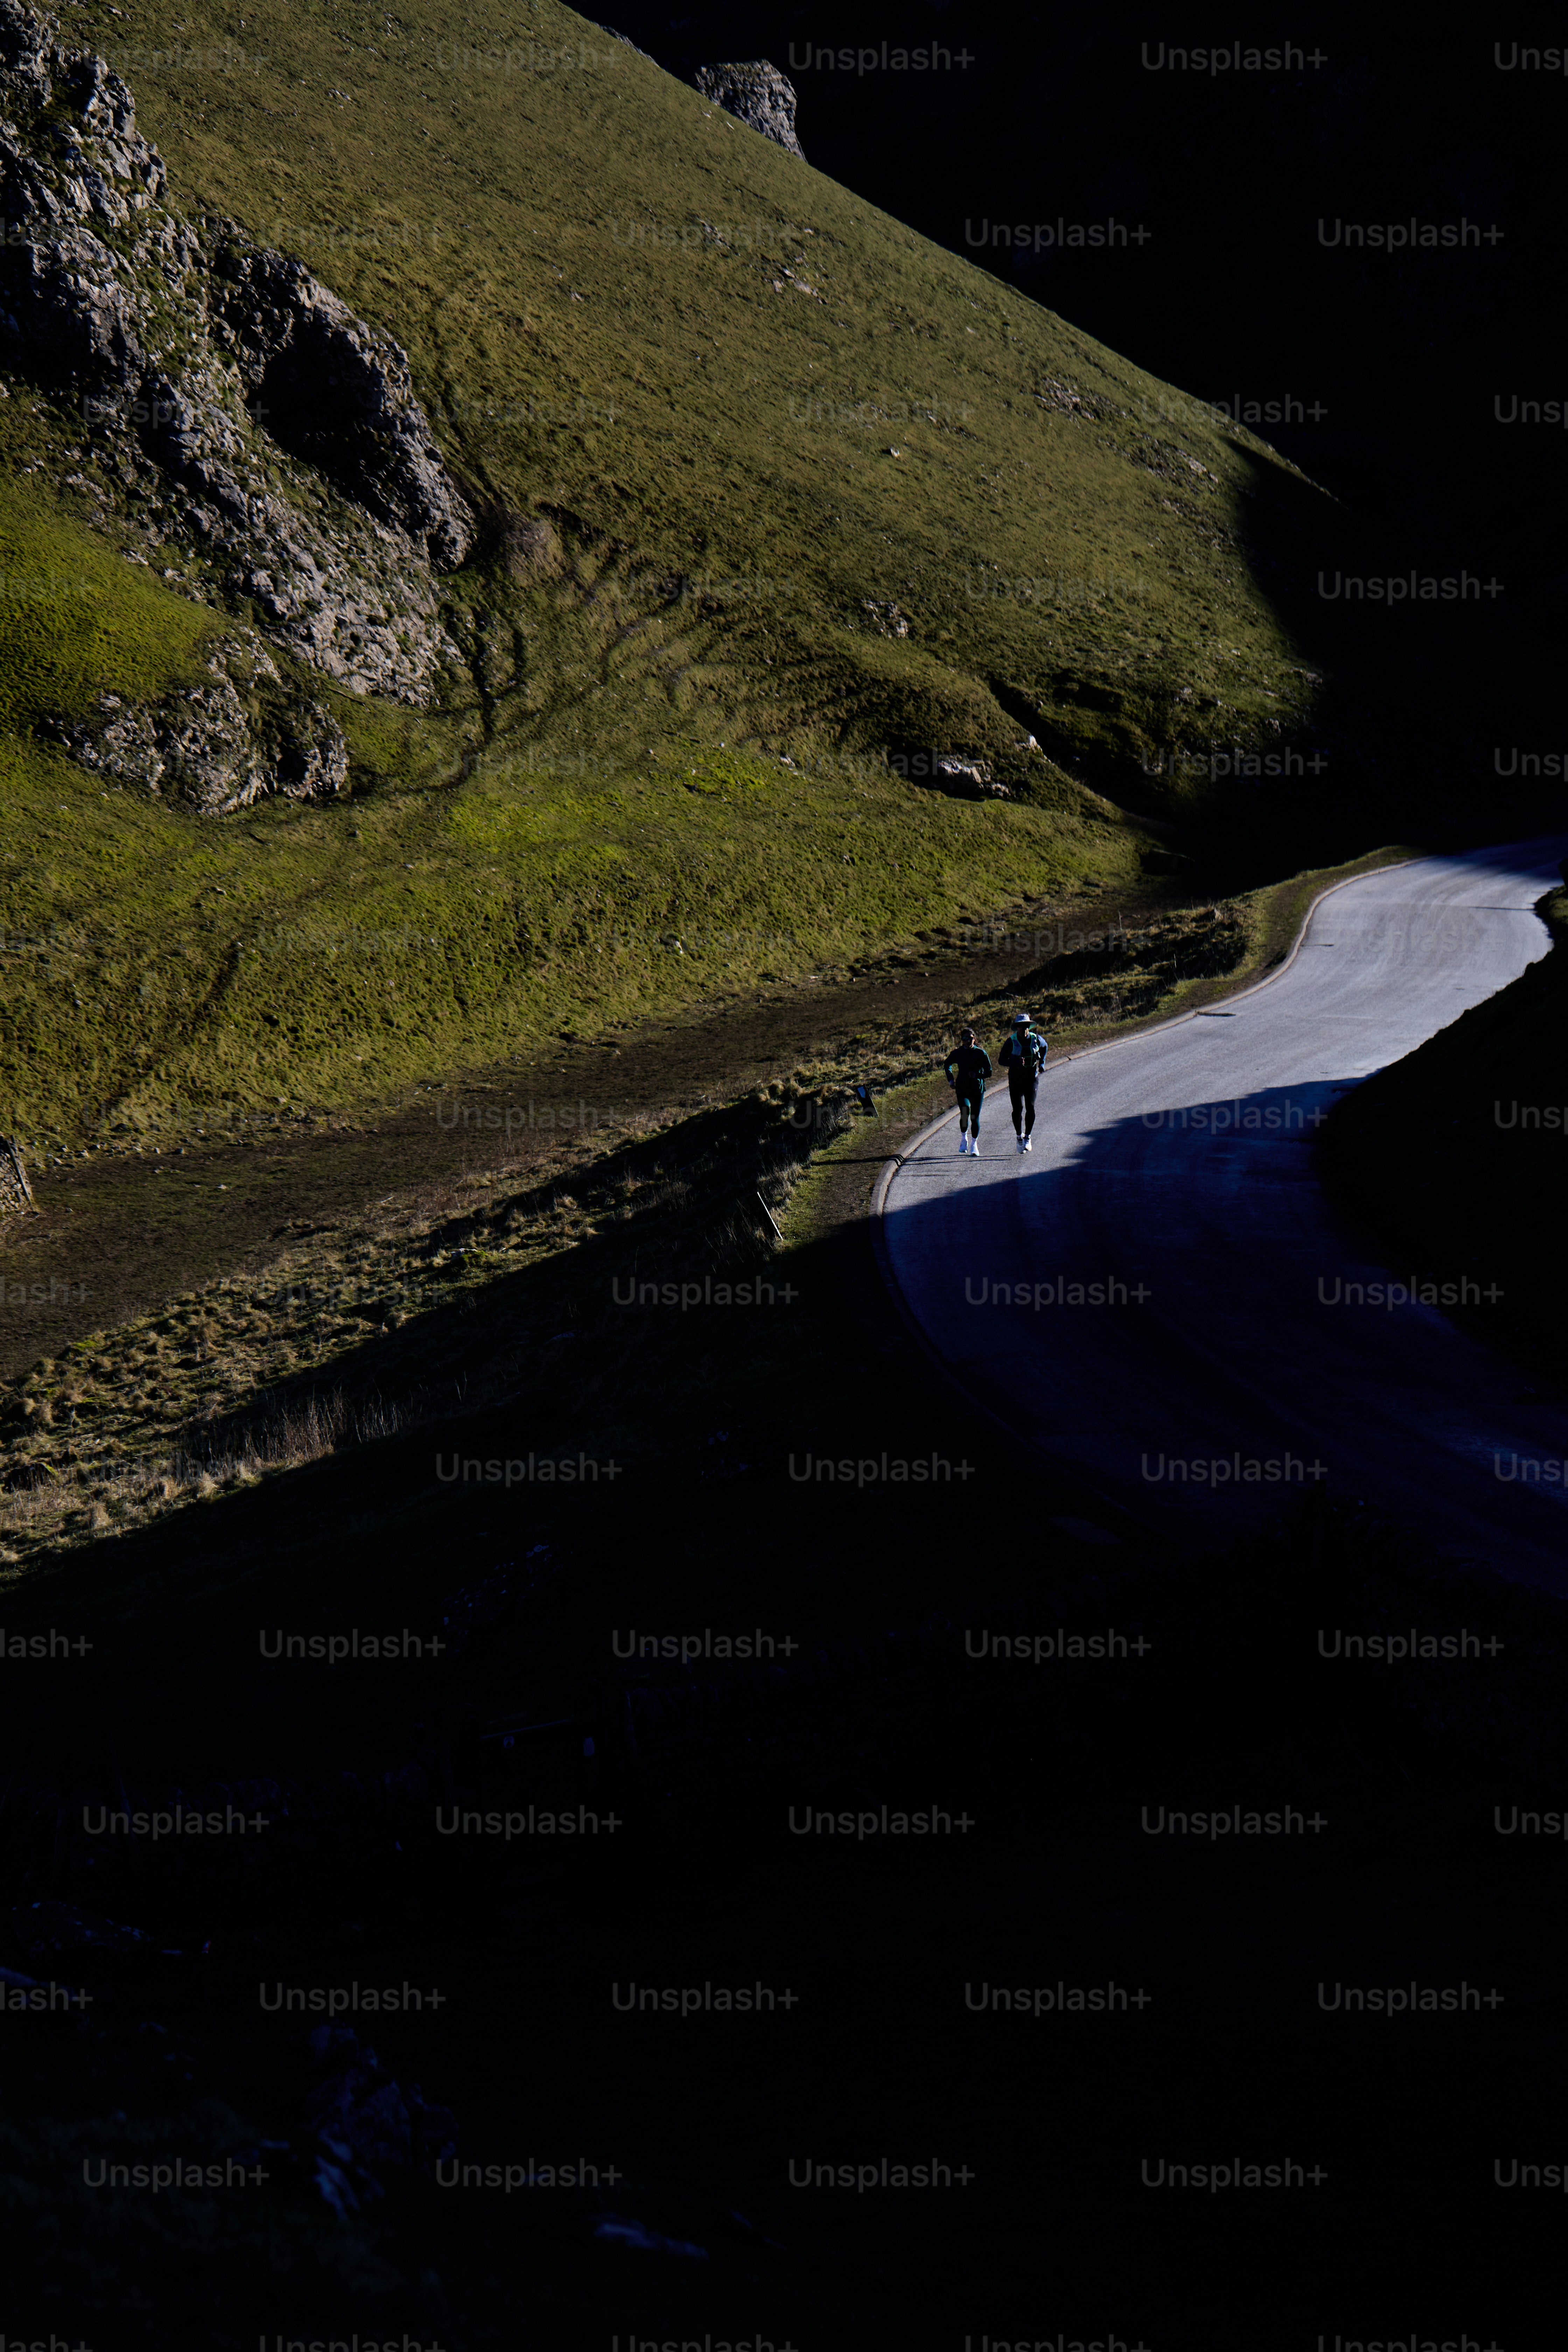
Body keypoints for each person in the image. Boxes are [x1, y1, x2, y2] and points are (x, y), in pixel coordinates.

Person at [998, 1010, 1048, 1153]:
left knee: (1031, 1107)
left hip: (1032, 1078)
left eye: (1026, 1026)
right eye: (1020, 1026)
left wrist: (1042, 1064)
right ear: (1017, 1027)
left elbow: (1045, 1047)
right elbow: (1001, 1060)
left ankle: (1028, 1137)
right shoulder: (1011, 1042)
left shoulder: (1036, 1039)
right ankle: (1019, 1136)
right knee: (1018, 1109)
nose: (1023, 1029)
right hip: (1015, 1079)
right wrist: (1014, 1061)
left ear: (1029, 1027)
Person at [943, 1027, 992, 1156]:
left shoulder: (981, 1054)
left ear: (974, 1039)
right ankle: (964, 1138)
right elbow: (947, 1064)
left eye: (970, 1039)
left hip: (978, 1089)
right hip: (962, 1088)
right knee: (965, 1112)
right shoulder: (958, 1053)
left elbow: (990, 1072)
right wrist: (951, 1080)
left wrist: (977, 1075)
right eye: (965, 1039)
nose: (967, 1041)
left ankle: (974, 1145)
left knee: (975, 1118)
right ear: (962, 1040)